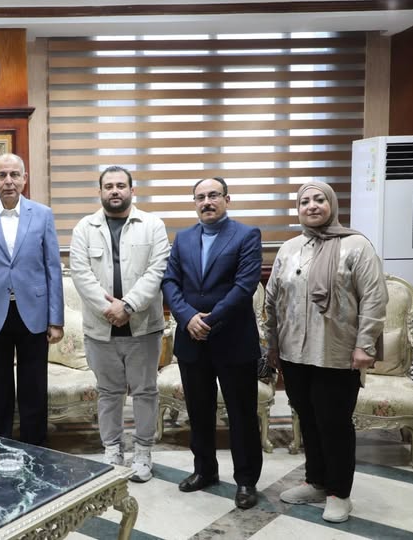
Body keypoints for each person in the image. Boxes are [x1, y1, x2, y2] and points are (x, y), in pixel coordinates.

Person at [266, 180, 387, 523]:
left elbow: (374, 297)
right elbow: (273, 299)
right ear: (298, 209)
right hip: (294, 353)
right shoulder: (290, 248)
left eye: (319, 199)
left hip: (337, 352)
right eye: (305, 201)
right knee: (308, 420)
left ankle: (339, 493)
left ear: (331, 204)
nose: (312, 206)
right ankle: (316, 482)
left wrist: (365, 344)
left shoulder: (356, 245)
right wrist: (272, 344)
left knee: (334, 424)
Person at [160, 176, 263, 510]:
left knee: (242, 415)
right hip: (192, 340)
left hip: (233, 340)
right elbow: (170, 281)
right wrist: (188, 317)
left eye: (213, 195)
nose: (207, 202)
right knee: (199, 411)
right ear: (195, 202)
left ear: (227, 199)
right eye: (200, 197)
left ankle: (246, 480)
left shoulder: (246, 235)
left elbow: (245, 286)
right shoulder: (183, 238)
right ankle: (204, 470)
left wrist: (209, 320)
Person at [69, 166, 170, 482]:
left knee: (145, 391)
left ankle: (143, 452)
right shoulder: (84, 228)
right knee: (108, 392)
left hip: (143, 327)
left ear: (132, 190)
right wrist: (109, 310)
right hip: (101, 329)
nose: (115, 190)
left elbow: (157, 271)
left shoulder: (153, 225)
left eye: (121, 185)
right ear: (100, 191)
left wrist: (128, 306)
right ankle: (112, 450)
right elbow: (80, 274)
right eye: (109, 186)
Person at [0, 153, 64, 446]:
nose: (8, 181)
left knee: (34, 388)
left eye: (14, 175)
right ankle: (0, 447)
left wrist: (56, 320)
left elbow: (52, 269)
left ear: (24, 179)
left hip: (33, 311)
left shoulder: (42, 214)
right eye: (2, 175)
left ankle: (36, 451)